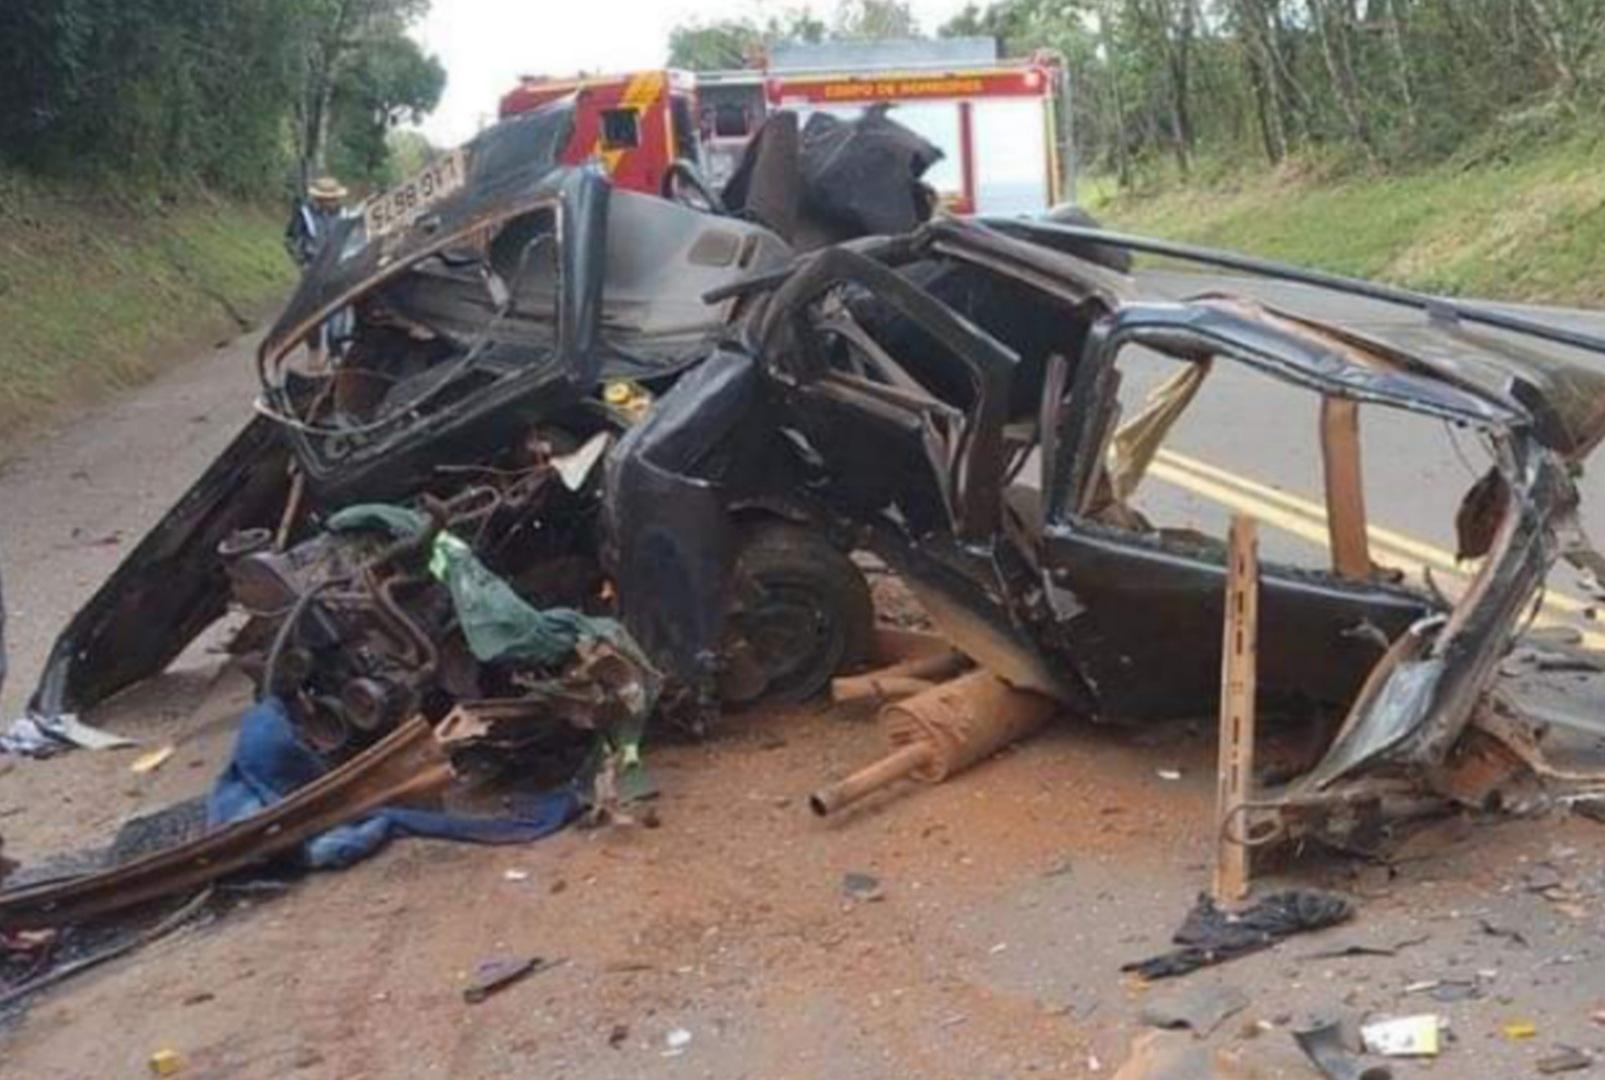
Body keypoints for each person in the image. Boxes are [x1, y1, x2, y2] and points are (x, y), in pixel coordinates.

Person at [284, 175, 349, 268]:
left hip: (339, 267)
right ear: (318, 199)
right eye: (326, 199)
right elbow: (291, 241)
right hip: (312, 266)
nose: (330, 203)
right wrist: (302, 261)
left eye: (333, 199)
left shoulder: (345, 214)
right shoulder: (304, 214)